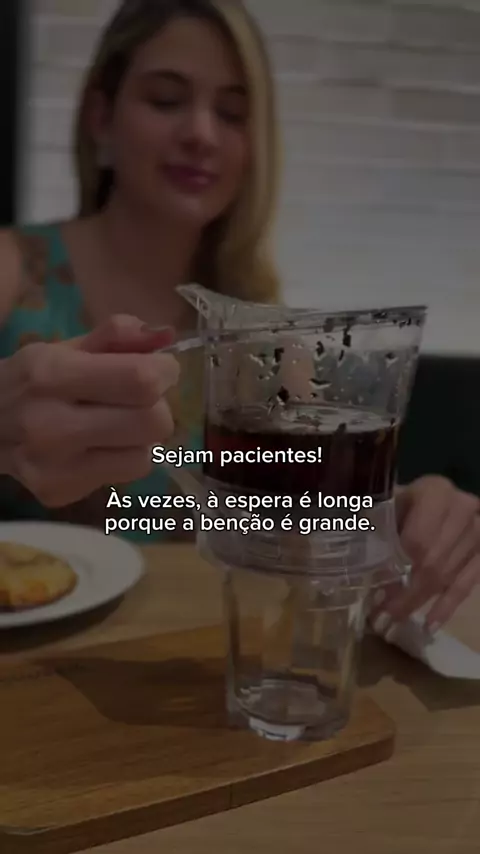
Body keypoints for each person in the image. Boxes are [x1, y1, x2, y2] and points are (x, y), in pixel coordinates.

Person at [0, 0, 478, 634]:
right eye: (166, 99)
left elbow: (288, 530)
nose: (201, 133)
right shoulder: (14, 269)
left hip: (188, 662)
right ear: (101, 118)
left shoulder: (271, 342)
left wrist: (393, 520)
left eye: (231, 113)